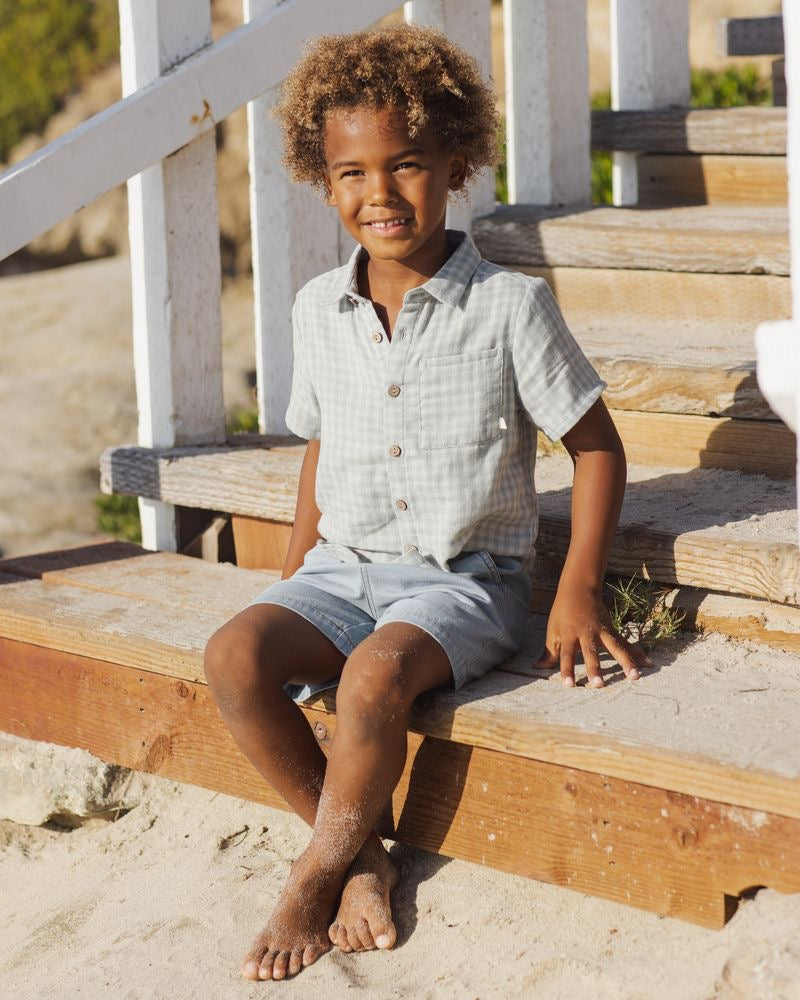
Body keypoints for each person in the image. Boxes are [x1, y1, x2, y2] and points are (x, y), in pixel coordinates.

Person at [203, 23, 650, 983]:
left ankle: (314, 875)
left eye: (406, 165)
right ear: (324, 182)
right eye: (353, 173)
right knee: (234, 654)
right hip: (340, 570)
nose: (380, 194)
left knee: (371, 681)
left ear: (456, 162)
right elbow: (323, 447)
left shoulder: (510, 307)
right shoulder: (317, 307)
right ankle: (364, 851)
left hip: (466, 583)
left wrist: (574, 592)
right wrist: (291, 581)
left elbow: (598, 448)